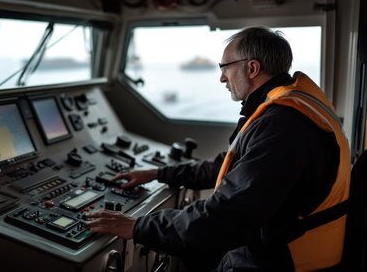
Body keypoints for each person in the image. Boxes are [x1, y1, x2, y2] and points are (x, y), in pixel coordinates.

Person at [85, 27, 351, 271]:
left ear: (252, 68)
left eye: (225, 67)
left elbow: (225, 216)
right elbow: (231, 165)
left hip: (280, 260)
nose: (222, 77)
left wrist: (136, 226)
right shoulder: (286, 105)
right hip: (275, 241)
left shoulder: (282, 124)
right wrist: (159, 173)